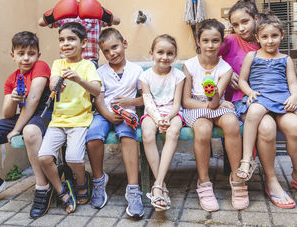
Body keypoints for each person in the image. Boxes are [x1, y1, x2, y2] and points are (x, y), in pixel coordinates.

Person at [220, 0, 297, 208]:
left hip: (279, 99)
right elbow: (209, 54)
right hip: (252, 99)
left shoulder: (273, 43)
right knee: (267, 128)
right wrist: (227, 74)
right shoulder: (233, 40)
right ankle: (271, 180)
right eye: (235, 24)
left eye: (245, 22)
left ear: (256, 19)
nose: (241, 28)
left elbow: (288, 80)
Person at [0, 31, 54, 218]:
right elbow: (8, 113)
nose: (26, 58)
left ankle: (42, 186)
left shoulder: (41, 67)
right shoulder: (12, 79)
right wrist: (13, 98)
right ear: (12, 55)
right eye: (21, 53)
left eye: (31, 53)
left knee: (30, 132)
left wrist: (17, 129)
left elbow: (33, 100)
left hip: (44, 114)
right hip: (22, 116)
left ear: (38, 55)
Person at [182, 19, 249, 212]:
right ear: (198, 41)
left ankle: (237, 179)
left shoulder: (225, 69)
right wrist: (208, 103)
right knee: (202, 129)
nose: (210, 45)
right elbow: (186, 101)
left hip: (215, 104)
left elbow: (214, 103)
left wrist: (213, 96)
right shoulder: (189, 65)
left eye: (215, 41)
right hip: (195, 105)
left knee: (231, 123)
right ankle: (204, 183)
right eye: (206, 40)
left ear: (221, 43)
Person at [38, 22, 101, 214]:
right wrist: (56, 82)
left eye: (71, 39)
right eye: (62, 40)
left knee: (74, 158)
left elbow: (97, 90)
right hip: (58, 120)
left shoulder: (88, 65)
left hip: (80, 120)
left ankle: (82, 182)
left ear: (83, 43)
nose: (66, 43)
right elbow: (53, 82)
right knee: (44, 157)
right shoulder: (58, 64)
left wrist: (79, 79)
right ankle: (62, 191)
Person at [85, 28, 145, 218]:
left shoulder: (136, 70)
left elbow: (145, 98)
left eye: (115, 47)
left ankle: (133, 190)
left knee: (128, 137)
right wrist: (108, 115)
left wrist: (130, 102)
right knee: (93, 135)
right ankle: (98, 180)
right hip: (104, 113)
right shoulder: (100, 71)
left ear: (124, 44)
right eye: (106, 51)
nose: (112, 54)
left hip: (126, 112)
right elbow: (99, 99)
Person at [140, 34, 185, 211]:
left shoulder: (179, 75)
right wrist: (158, 119)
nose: (164, 57)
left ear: (174, 55)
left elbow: (177, 103)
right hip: (153, 113)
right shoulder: (145, 77)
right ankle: (162, 185)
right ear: (152, 53)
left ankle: (157, 185)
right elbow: (148, 101)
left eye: (169, 53)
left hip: (172, 113)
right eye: (160, 52)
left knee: (173, 132)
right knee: (147, 133)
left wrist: (167, 118)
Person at [38, 0, 120, 68]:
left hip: (89, 62)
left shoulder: (96, 13)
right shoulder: (64, 12)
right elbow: (41, 22)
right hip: (66, 61)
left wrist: (101, 12)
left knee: (90, 82)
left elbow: (117, 21)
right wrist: (56, 12)